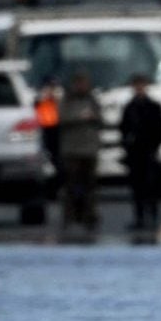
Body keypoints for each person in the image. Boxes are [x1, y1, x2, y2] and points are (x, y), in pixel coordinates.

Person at [119, 73, 161, 233]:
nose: (139, 88)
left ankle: (153, 215)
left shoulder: (154, 106)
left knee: (152, 185)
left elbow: (160, 128)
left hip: (149, 150)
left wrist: (155, 146)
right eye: (136, 85)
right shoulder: (129, 107)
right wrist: (127, 145)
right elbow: (123, 128)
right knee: (137, 186)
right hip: (135, 152)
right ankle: (139, 217)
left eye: (141, 85)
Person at [57, 71, 103, 231]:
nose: (82, 86)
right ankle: (69, 217)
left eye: (85, 83)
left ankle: (89, 216)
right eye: (80, 83)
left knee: (90, 186)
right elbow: (61, 117)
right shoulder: (67, 100)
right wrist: (80, 116)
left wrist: (93, 116)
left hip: (89, 149)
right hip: (72, 150)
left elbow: (100, 118)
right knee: (71, 185)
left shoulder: (92, 99)